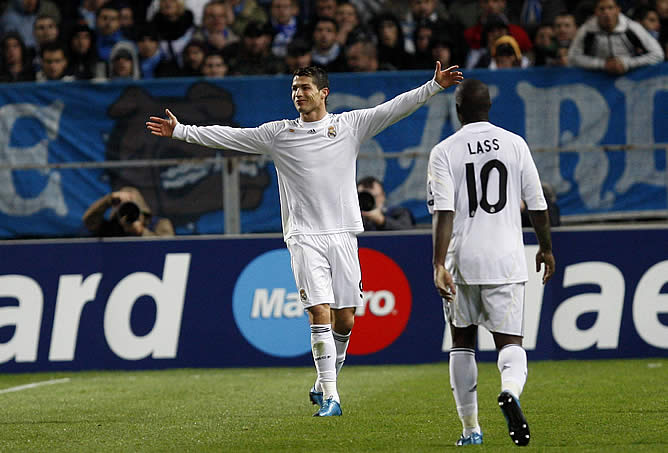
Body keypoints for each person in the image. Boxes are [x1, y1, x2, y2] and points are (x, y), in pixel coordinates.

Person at [147, 63, 463, 417]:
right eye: (295, 89)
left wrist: (434, 86)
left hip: (342, 233)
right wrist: (181, 132)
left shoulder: (349, 126)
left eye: (305, 88)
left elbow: (393, 108)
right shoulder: (278, 134)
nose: (298, 94)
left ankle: (322, 381)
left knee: (345, 320)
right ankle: (332, 396)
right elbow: (229, 136)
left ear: (323, 92)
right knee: (319, 311)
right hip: (303, 236)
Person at [428, 79, 555, 446]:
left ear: (458, 110)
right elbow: (538, 206)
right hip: (505, 258)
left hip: (462, 260)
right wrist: (545, 248)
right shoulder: (515, 144)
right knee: (510, 342)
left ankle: (471, 431)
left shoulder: (444, 151)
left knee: (462, 341)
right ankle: (510, 392)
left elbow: (444, 213)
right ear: (488, 108)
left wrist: (439, 263)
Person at [568, 0, 664, 75]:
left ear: (618, 10)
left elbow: (658, 54)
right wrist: (602, 64)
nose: (606, 12)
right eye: (602, 9)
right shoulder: (587, 30)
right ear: (596, 12)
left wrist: (627, 63)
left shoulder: (631, 27)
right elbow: (572, 58)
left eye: (610, 8)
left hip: (630, 79)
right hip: (597, 81)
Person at [83, 187, 175, 237]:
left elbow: (168, 250)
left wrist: (141, 232)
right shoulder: (111, 229)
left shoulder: (159, 225)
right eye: (125, 209)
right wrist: (108, 200)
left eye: (132, 210)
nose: (128, 214)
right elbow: (89, 221)